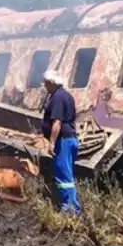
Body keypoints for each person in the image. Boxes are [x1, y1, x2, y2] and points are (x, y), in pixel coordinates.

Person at [41, 69, 81, 216]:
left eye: (46, 83)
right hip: (70, 138)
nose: (44, 86)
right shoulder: (68, 96)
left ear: (52, 83)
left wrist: (51, 143)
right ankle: (70, 207)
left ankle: (70, 209)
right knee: (67, 174)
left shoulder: (57, 97)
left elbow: (57, 122)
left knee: (64, 177)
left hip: (63, 141)